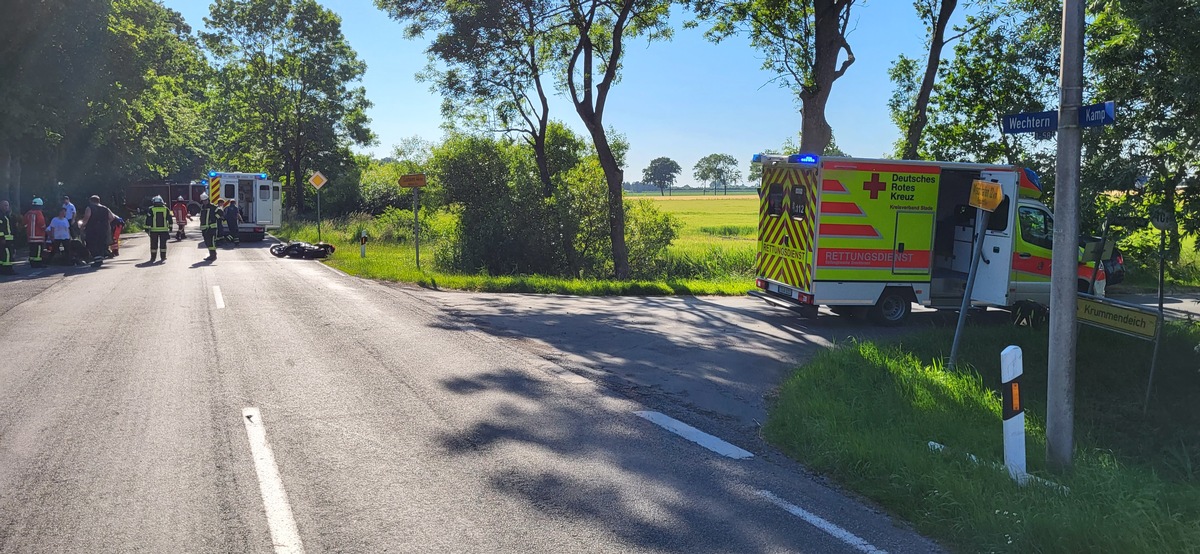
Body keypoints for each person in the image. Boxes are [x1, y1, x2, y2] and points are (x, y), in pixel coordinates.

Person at [77, 195, 116, 267]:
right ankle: (100, 259)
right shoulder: (105, 208)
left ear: (91, 201)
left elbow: (87, 217)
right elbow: (112, 217)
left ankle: (97, 259)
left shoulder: (89, 208)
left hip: (92, 228)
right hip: (103, 229)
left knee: (91, 244)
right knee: (100, 244)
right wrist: (106, 223)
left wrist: (82, 226)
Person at [145, 195, 172, 263]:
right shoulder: (166, 209)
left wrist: (147, 228)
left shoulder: (151, 209)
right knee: (163, 244)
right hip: (164, 230)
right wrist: (171, 227)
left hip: (154, 231)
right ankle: (163, 257)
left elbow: (148, 220)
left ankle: (153, 257)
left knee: (153, 245)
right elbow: (170, 219)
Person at [23, 198, 47, 268]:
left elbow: (24, 222)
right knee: (38, 250)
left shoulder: (28, 213)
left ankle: (32, 263)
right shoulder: (39, 213)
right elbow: (41, 223)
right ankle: (38, 263)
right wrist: (45, 228)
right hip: (38, 236)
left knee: (32, 250)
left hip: (30, 236)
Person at [198, 197, 222, 262]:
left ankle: (213, 255)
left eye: (205, 200)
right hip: (204, 228)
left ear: (208, 200)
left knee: (211, 242)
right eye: (203, 201)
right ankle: (211, 254)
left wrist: (214, 218)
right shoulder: (203, 207)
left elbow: (221, 212)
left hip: (211, 228)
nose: (204, 202)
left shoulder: (213, 206)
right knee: (207, 242)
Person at [0, 200, 14, 275]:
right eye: (4, 205)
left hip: (9, 239)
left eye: (7, 205)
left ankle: (3, 270)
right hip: (4, 239)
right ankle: (7, 270)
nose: (6, 207)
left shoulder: (6, 215)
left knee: (5, 254)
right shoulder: (1, 215)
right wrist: (2, 238)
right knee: (7, 254)